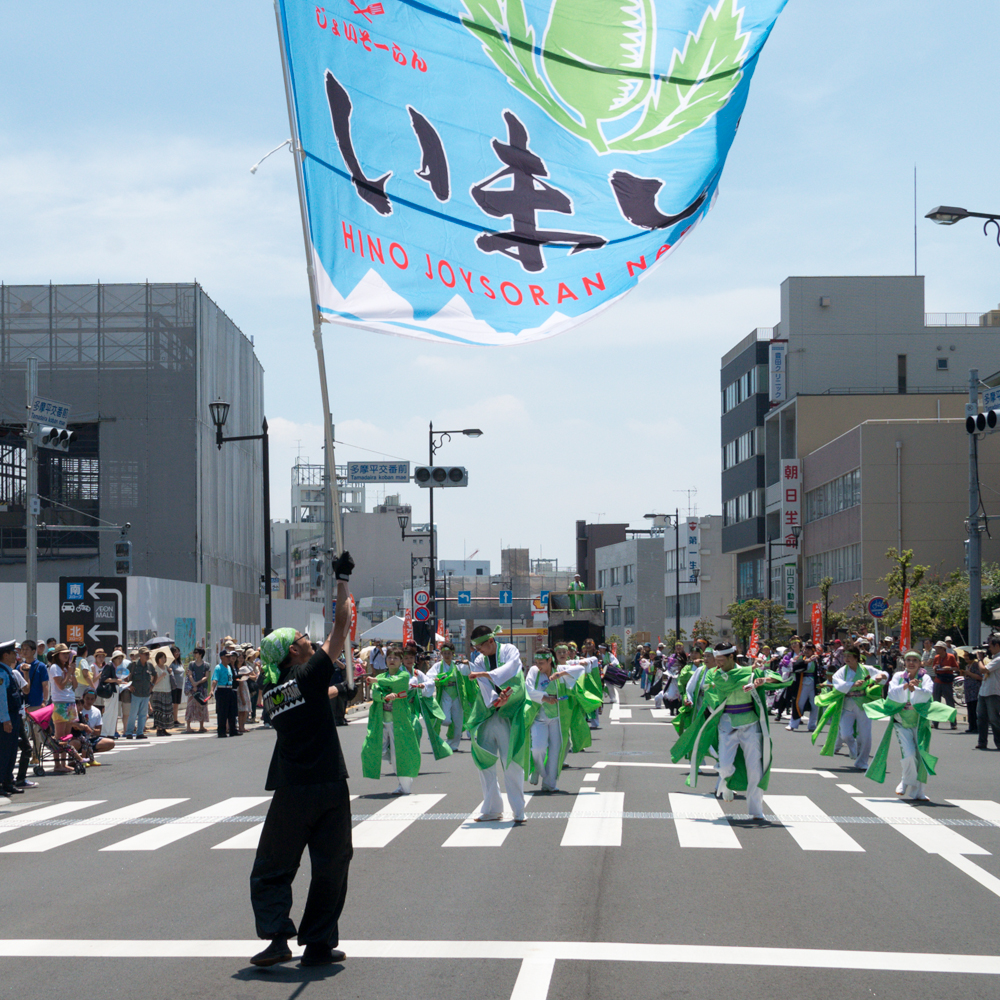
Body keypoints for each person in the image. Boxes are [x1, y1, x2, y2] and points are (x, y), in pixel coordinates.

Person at [249, 551, 355, 969]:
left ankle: (277, 936)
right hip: (328, 783)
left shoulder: (272, 694)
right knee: (331, 864)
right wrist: (342, 579)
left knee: (273, 866)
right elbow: (341, 628)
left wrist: (336, 693)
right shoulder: (310, 673)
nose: (309, 639)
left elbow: (312, 699)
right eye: (302, 638)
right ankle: (318, 942)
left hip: (291, 788)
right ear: (294, 652)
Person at [677, 641, 791, 820]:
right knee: (724, 766)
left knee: (755, 769)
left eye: (721, 659)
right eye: (716, 659)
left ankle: (756, 811)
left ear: (732, 657)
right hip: (726, 724)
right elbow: (726, 684)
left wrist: (763, 680)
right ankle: (727, 782)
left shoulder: (751, 672)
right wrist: (751, 674)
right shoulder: (715, 675)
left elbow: (779, 678)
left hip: (749, 724)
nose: (718, 663)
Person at [864, 650, 955, 800]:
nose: (911, 663)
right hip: (901, 721)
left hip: (920, 722)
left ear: (920, 663)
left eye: (914, 660)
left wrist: (916, 689)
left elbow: (927, 694)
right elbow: (891, 693)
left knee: (921, 755)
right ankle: (905, 781)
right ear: (904, 663)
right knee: (909, 753)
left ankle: (918, 791)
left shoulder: (925, 677)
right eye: (908, 660)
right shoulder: (898, 677)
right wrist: (906, 687)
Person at [464, 625, 528, 824]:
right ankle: (492, 809)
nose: (478, 651)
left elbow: (512, 670)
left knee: (512, 763)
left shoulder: (509, 650)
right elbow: (483, 687)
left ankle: (518, 811)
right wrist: (494, 700)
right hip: (487, 714)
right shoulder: (479, 660)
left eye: (480, 646)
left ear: (491, 641)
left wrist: (488, 676)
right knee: (485, 762)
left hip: (509, 716)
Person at [811, 645, 888, 770]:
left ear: (856, 657)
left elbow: (883, 673)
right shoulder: (842, 671)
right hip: (847, 704)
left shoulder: (866, 669)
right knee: (845, 733)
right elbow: (837, 683)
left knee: (865, 735)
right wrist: (852, 684)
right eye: (845, 656)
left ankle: (862, 762)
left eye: (849, 656)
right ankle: (854, 750)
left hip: (863, 704)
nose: (846, 658)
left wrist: (881, 676)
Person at [360, 647, 423, 795]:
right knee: (370, 748)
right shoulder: (383, 676)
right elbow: (376, 692)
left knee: (399, 756)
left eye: (395, 658)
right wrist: (384, 697)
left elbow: (395, 683)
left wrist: (377, 681)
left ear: (401, 661)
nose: (392, 660)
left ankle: (405, 786)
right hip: (381, 720)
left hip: (399, 721)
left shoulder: (404, 676)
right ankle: (390, 752)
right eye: (389, 657)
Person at [525, 647, 586, 793]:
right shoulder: (534, 671)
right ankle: (539, 771)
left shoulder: (559, 669)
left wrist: (561, 674)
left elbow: (581, 669)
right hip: (539, 718)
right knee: (538, 749)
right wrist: (545, 698)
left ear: (549, 660)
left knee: (555, 752)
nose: (538, 665)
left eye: (541, 662)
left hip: (557, 719)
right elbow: (528, 689)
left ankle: (549, 784)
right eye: (536, 662)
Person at [48, 643, 79, 770]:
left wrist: (72, 672)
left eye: (67, 653)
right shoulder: (55, 667)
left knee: (67, 735)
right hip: (60, 702)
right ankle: (57, 764)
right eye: (64, 653)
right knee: (59, 735)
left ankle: (63, 763)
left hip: (70, 701)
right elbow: (60, 685)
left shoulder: (66, 668)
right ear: (57, 655)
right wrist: (68, 673)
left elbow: (75, 686)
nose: (66, 656)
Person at [0, 639, 24, 797]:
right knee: (4, 751)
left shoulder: (8, 670)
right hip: (6, 718)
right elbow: (1, 699)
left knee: (12, 749)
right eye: (12, 653)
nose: (16, 655)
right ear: (5, 655)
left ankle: (8, 781)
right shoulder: (1, 673)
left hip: (14, 716)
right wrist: (5, 719)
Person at [433, 642, 465, 751]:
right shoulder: (438, 666)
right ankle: (446, 740)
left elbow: (468, 674)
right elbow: (429, 676)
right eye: (444, 653)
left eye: (449, 653)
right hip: (445, 694)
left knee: (458, 721)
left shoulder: (457, 665)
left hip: (457, 694)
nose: (447, 655)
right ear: (441, 654)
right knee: (446, 720)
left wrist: (468, 665)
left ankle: (453, 745)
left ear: (453, 654)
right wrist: (435, 679)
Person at [787, 640, 820, 731]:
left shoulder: (816, 660)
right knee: (799, 704)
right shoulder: (801, 658)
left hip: (813, 684)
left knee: (815, 705)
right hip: (803, 683)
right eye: (806, 649)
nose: (807, 651)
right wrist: (806, 661)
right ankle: (793, 724)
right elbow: (794, 666)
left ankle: (812, 725)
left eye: (809, 649)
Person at [975, 634, 1000, 750]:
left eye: (990, 646)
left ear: (997, 645)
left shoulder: (999, 659)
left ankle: (998, 742)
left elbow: (983, 669)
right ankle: (982, 742)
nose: (989, 648)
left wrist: (979, 659)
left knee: (994, 719)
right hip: (984, 691)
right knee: (981, 718)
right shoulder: (994, 658)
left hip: (994, 692)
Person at [211, 648, 240, 738]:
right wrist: (212, 690)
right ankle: (221, 731)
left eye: (229, 656)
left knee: (232, 712)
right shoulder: (218, 667)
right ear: (222, 657)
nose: (229, 658)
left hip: (230, 689)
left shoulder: (229, 668)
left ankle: (233, 730)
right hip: (222, 690)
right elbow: (215, 680)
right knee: (222, 712)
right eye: (227, 657)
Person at [929, 640, 958, 730]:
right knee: (936, 702)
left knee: (950, 702)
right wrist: (935, 668)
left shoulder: (951, 657)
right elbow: (934, 669)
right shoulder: (937, 657)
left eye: (938, 648)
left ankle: (953, 723)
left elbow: (957, 668)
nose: (936, 649)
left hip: (947, 681)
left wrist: (949, 668)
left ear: (943, 649)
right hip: (938, 679)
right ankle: (935, 722)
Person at [125, 647, 152, 740]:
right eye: (145, 654)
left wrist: (152, 686)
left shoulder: (150, 665)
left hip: (145, 693)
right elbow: (124, 677)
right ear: (140, 655)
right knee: (133, 714)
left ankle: (140, 733)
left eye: (148, 654)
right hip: (135, 693)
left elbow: (155, 675)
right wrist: (129, 686)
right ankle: (129, 732)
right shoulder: (133, 665)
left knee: (143, 715)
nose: (147, 656)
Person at [184, 647, 210, 733]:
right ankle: (188, 726)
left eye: (196, 652)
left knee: (202, 706)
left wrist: (197, 683)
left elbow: (206, 677)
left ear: (200, 654)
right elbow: (189, 675)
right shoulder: (191, 664)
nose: (194, 654)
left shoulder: (206, 665)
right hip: (193, 688)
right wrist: (193, 684)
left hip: (202, 688)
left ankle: (201, 726)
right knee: (190, 706)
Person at [149, 650, 174, 737]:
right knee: (159, 711)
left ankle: (164, 728)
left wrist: (170, 672)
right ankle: (159, 729)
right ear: (157, 659)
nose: (164, 659)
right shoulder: (155, 668)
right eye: (162, 658)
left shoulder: (167, 667)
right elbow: (153, 681)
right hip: (158, 692)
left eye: (164, 657)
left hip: (167, 691)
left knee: (166, 711)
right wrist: (161, 676)